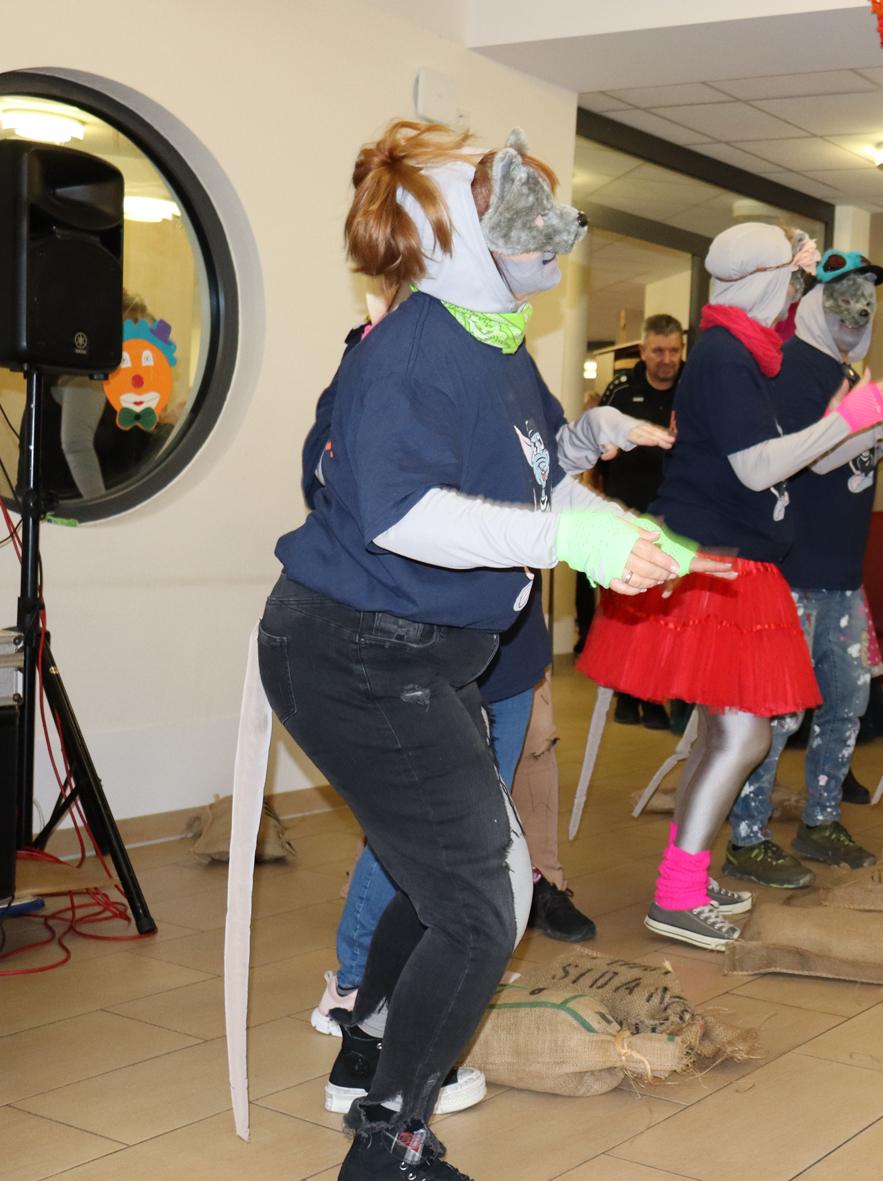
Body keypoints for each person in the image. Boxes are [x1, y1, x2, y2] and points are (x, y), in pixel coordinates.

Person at [262, 122, 726, 1181]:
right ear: (456, 233)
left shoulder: (497, 340)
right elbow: (399, 514)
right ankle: (389, 1144)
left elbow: (535, 480)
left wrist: (620, 528)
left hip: (422, 653)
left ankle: (369, 1050)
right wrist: (572, 540)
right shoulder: (410, 345)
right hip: (356, 649)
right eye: (524, 213)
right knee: (482, 905)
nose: (558, 230)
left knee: (467, 882)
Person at [579, 223, 883, 949]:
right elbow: (758, 466)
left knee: (725, 735)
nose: (797, 296)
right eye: (793, 281)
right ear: (767, 282)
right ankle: (676, 894)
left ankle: (688, 876)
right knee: (742, 733)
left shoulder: (741, 352)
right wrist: (850, 417)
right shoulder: (725, 354)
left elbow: (778, 461)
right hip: (714, 563)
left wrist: (855, 425)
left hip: (737, 561)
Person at [723, 250, 883, 888]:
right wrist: (882, 417)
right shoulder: (794, 367)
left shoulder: (840, 371)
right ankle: (747, 837)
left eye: (864, 307)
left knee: (846, 704)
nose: (856, 316)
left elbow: (847, 458)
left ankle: (820, 822)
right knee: (779, 714)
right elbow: (813, 458)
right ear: (815, 305)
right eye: (843, 303)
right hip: (793, 573)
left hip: (841, 573)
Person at [595, 313, 686, 730]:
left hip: (673, 517)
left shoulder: (691, 386)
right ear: (643, 351)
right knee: (625, 608)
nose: (667, 359)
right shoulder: (620, 389)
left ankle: (653, 697)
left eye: (674, 350)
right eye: (659, 350)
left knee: (661, 612)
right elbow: (597, 447)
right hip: (626, 516)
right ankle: (626, 695)